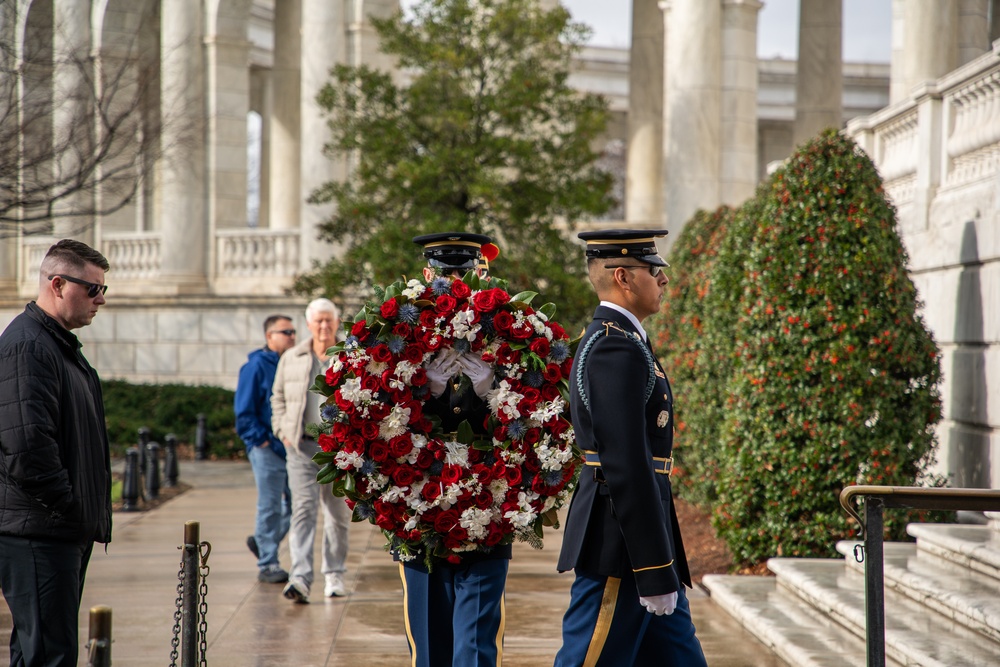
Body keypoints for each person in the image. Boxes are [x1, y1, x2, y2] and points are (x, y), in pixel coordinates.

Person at [553, 229, 707, 667]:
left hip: (643, 541)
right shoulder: (614, 347)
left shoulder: (622, 339)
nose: (662, 280)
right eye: (653, 270)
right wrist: (653, 567)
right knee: (587, 659)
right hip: (621, 546)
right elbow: (625, 463)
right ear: (623, 276)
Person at [0, 239, 113, 667]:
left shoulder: (55, 343)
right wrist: (68, 506)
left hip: (54, 528)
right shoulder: (29, 346)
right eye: (93, 289)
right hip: (39, 532)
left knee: (38, 651)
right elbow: (27, 446)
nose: (100, 300)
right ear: (58, 283)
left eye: (104, 290)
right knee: (51, 655)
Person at [399, 232, 508, 667]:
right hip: (418, 505)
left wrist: (492, 390)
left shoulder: (505, 328)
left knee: (477, 646)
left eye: (465, 274)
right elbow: (381, 423)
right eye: (447, 276)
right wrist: (425, 392)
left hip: (485, 509)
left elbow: (530, 425)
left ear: (480, 273)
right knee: (429, 644)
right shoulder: (399, 333)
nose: (457, 285)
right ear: (428, 275)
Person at [272, 298, 351, 603]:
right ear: (308, 324)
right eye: (318, 321)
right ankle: (300, 578)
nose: (323, 326)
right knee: (303, 510)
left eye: (328, 320)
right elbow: (277, 397)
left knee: (337, 514)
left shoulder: (348, 356)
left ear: (337, 323)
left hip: (339, 450)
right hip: (301, 447)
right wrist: (283, 432)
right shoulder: (292, 357)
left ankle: (334, 574)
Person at [235, 314, 297, 584]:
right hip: (266, 448)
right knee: (270, 506)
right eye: (286, 332)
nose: (293, 336)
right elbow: (244, 413)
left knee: (296, 505)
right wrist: (261, 441)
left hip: (289, 447)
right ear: (269, 336)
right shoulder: (256, 366)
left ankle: (263, 541)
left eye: (294, 331)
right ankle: (268, 563)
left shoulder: (291, 363)